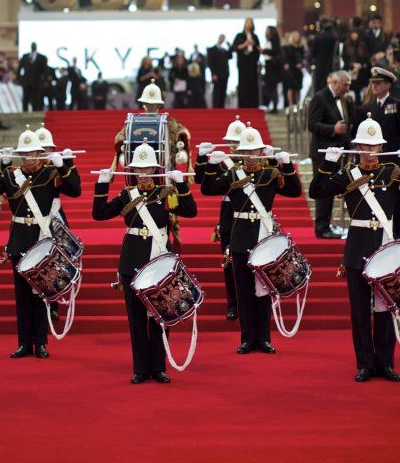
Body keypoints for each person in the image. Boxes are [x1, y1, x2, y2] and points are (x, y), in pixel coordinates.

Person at [309, 116, 400, 381]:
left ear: (381, 148)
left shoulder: (392, 172)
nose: (370, 151)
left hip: (385, 245)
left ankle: (385, 362)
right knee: (359, 310)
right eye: (365, 146)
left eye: (374, 146)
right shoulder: (349, 173)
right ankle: (365, 363)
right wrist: (328, 163)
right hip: (358, 246)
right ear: (357, 146)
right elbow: (317, 191)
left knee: (386, 307)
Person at [93, 141, 197, 383]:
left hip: (159, 259)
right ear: (131, 170)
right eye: (138, 169)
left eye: (147, 168)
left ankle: (159, 366)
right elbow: (99, 214)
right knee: (137, 319)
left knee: (162, 315)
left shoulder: (166, 193)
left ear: (155, 170)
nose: (143, 174)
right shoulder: (126, 195)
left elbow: (191, 211)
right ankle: (140, 368)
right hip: (133, 261)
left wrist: (180, 183)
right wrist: (102, 184)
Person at [0, 128, 81, 358]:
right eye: (23, 154)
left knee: (41, 293)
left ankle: (41, 342)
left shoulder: (50, 174)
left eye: (32, 153)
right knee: (22, 294)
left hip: (41, 237)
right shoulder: (12, 176)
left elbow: (75, 190)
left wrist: (64, 165)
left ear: (39, 152)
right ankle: (24, 343)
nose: (28, 158)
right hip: (19, 238)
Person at [201, 125, 301, 353]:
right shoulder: (233, 174)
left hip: (263, 238)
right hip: (240, 237)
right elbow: (208, 189)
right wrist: (211, 164)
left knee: (264, 290)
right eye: (245, 152)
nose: (249, 156)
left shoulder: (270, 174)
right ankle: (247, 338)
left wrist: (285, 164)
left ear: (260, 152)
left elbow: (295, 191)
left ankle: (264, 338)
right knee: (244, 291)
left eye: (253, 151)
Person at [358, 66, 400, 238]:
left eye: (379, 83)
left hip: (392, 160)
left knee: (395, 198)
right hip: (373, 161)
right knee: (375, 196)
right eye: (373, 83)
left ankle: (397, 234)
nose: (375, 86)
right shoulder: (370, 108)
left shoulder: (397, 105)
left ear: (388, 85)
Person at [196, 117, 246, 320]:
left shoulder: (255, 161)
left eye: (237, 142)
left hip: (251, 213)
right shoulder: (222, 160)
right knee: (229, 262)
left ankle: (253, 302)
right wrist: (201, 158)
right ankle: (233, 303)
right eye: (231, 142)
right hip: (228, 213)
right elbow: (202, 181)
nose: (233, 146)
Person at [308, 70, 357, 238]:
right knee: (323, 191)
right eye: (345, 84)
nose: (347, 88)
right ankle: (321, 227)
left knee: (332, 190)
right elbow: (312, 124)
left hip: (339, 152)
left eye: (349, 85)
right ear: (335, 83)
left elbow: (346, 127)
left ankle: (327, 224)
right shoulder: (320, 97)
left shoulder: (344, 100)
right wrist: (333, 129)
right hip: (323, 154)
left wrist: (350, 147)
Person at [232, 19, 260, 108]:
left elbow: (258, 49)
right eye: (247, 23)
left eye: (250, 23)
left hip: (252, 63)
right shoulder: (239, 36)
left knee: (253, 84)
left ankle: (253, 104)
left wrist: (254, 44)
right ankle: (243, 105)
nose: (249, 25)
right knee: (243, 84)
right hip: (243, 63)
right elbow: (235, 47)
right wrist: (245, 44)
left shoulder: (254, 36)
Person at [309, 18, 338, 95]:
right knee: (330, 85)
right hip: (331, 64)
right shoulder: (334, 38)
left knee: (318, 86)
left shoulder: (317, 38)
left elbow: (313, 53)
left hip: (319, 64)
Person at [261, 25, 283, 113]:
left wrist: (264, 51)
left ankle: (274, 106)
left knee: (272, 86)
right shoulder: (271, 40)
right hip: (270, 66)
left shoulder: (273, 40)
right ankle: (273, 105)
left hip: (272, 67)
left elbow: (275, 51)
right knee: (271, 86)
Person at [281, 31, 305, 107]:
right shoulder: (288, 47)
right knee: (291, 87)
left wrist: (301, 64)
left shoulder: (301, 47)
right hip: (291, 70)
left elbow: (303, 57)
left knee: (298, 87)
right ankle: (290, 104)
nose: (297, 38)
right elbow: (287, 59)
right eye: (296, 37)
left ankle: (298, 104)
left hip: (299, 70)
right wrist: (294, 65)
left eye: (298, 37)